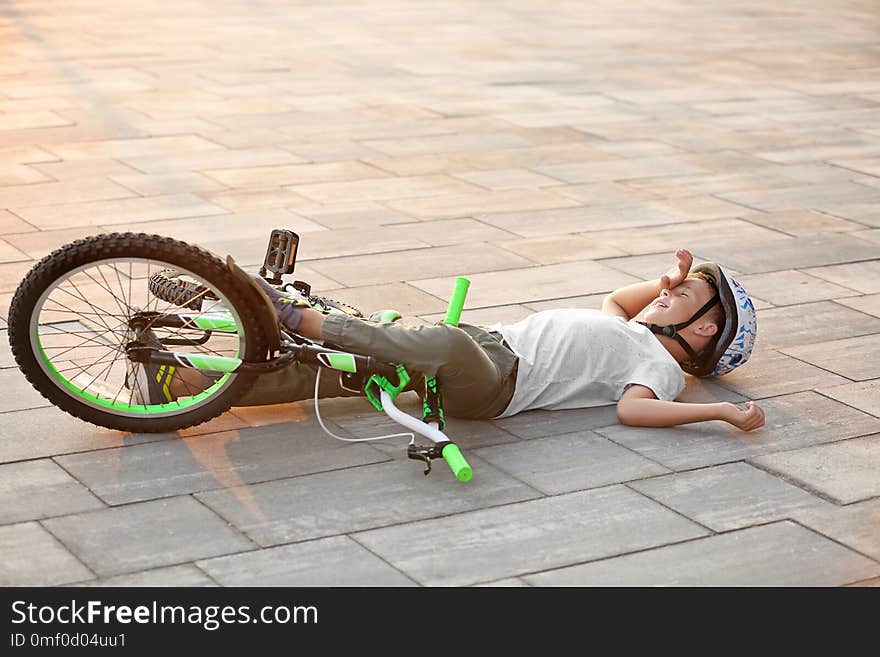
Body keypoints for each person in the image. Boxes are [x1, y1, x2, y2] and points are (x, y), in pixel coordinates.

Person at [133, 248, 764, 432]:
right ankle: (184, 374)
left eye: (679, 298)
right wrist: (673, 281)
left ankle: (286, 317)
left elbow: (633, 408)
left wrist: (716, 411)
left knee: (433, 346)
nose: (661, 294)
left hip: (494, 385)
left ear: (704, 329)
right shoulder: (633, 326)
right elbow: (624, 301)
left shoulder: (660, 366)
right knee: (359, 362)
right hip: (482, 340)